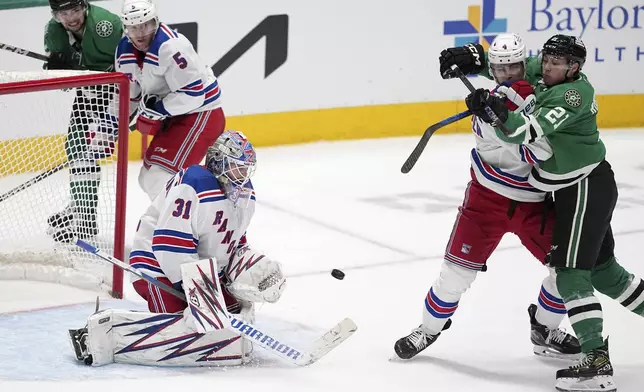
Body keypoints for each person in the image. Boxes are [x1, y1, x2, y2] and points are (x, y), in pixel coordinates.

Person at [454, 34, 644, 392]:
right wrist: (475, 60)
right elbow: (517, 68)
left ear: (575, 67)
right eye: (548, 59)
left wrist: (494, 113)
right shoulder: (550, 72)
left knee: (571, 275)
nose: (548, 65)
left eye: (557, 62)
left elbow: (525, 133)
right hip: (580, 188)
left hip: (584, 188)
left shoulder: (570, 95)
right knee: (606, 274)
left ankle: (596, 364)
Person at [394, 33, 580, 362]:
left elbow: (542, 151)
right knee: (454, 274)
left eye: (514, 67)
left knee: (569, 269)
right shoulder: (488, 107)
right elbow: (506, 135)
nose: (507, 74)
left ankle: (545, 328)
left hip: (533, 204)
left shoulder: (541, 96)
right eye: (498, 68)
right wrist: (492, 112)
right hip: (485, 203)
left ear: (526, 65)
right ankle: (427, 329)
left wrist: (503, 113)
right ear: (491, 70)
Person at [68, 130, 287, 367]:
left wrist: (251, 270)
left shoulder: (245, 194)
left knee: (232, 314)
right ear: (218, 162)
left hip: (202, 271)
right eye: (236, 167)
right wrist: (198, 289)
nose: (243, 175)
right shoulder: (195, 183)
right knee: (180, 324)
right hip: (158, 265)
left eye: (246, 168)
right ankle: (98, 336)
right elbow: (168, 242)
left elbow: (235, 242)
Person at [115, 0, 226, 201]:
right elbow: (131, 95)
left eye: (145, 25)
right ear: (126, 28)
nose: (140, 33)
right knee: (147, 178)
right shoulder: (124, 51)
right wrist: (113, 123)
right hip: (173, 118)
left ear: (155, 22)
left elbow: (194, 94)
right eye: (133, 28)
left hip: (201, 114)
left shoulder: (172, 47)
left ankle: (182, 225)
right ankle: (174, 222)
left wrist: (158, 108)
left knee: (159, 178)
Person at [44, 0, 124, 242]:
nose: (71, 18)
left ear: (84, 7)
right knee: (76, 147)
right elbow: (64, 87)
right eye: (63, 13)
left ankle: (83, 213)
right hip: (88, 95)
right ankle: (82, 212)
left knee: (88, 151)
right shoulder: (53, 31)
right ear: (55, 15)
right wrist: (58, 71)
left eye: (75, 11)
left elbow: (132, 65)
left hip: (120, 93)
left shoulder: (105, 25)